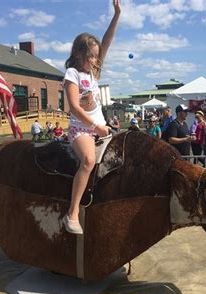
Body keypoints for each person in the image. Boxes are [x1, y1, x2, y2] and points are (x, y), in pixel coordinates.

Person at [62, 0, 120, 234]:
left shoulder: (93, 73)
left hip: (100, 127)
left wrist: (116, 15)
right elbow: (75, 107)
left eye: (97, 57)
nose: (96, 60)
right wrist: (97, 126)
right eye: (91, 56)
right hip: (82, 129)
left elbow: (106, 42)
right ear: (78, 54)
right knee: (87, 160)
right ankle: (72, 213)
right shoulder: (73, 73)